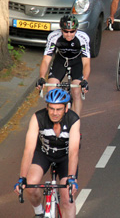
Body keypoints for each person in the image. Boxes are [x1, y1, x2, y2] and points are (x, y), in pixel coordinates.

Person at [14, 89, 80, 218]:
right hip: (43, 154)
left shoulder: (73, 119)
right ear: (47, 107)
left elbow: (73, 152)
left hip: (65, 157)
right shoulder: (37, 117)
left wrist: (71, 178)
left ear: (66, 108)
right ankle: (39, 212)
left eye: (59, 109)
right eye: (51, 108)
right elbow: (28, 151)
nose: (54, 113)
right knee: (30, 185)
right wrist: (22, 178)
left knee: (67, 196)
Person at [36, 15, 90, 116]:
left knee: (76, 91)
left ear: (76, 30)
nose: (69, 34)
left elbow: (86, 62)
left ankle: (75, 123)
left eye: (72, 31)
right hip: (60, 61)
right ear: (61, 30)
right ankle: (51, 121)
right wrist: (42, 76)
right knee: (51, 90)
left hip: (77, 62)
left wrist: (85, 79)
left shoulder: (83, 38)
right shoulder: (54, 36)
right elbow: (46, 60)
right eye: (66, 31)